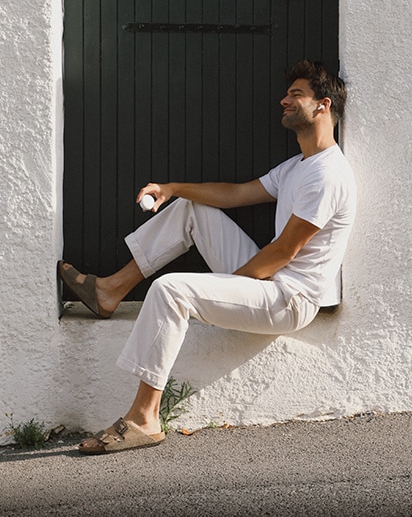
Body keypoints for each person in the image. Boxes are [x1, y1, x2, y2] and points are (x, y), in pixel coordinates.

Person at [58, 59, 356, 455]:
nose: (283, 100)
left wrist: (232, 281)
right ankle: (111, 291)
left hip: (290, 299)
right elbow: (236, 194)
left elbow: (285, 250)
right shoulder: (299, 166)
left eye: (295, 94)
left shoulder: (329, 174)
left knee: (170, 290)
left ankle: (144, 418)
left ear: (323, 106)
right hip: (270, 279)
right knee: (190, 207)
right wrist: (172, 187)